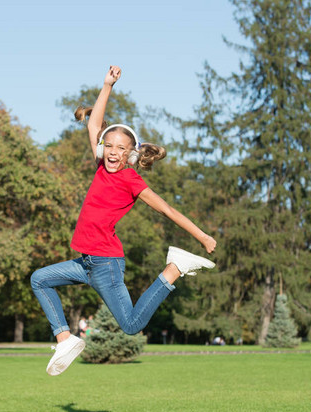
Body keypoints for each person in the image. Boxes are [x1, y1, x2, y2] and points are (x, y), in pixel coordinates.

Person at [31, 66, 217, 376]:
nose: (114, 153)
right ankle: (65, 339)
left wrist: (203, 237)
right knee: (40, 278)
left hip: (106, 264)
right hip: (86, 262)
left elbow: (169, 211)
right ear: (103, 148)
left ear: (130, 154)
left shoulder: (131, 180)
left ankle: (173, 269)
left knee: (130, 325)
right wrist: (107, 85)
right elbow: (94, 124)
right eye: (110, 147)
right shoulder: (101, 166)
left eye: (122, 148)